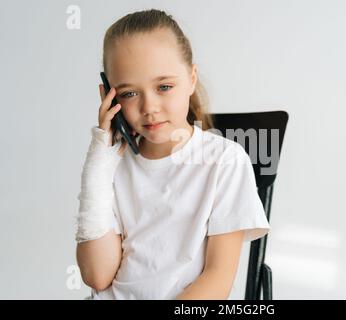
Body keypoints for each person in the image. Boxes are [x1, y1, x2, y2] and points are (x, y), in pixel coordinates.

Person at [75, 9, 270, 300]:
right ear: (109, 95)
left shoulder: (225, 162)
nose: (149, 106)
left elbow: (217, 282)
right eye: (129, 93)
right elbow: (96, 275)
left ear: (191, 78)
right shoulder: (112, 166)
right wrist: (99, 164)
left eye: (164, 86)